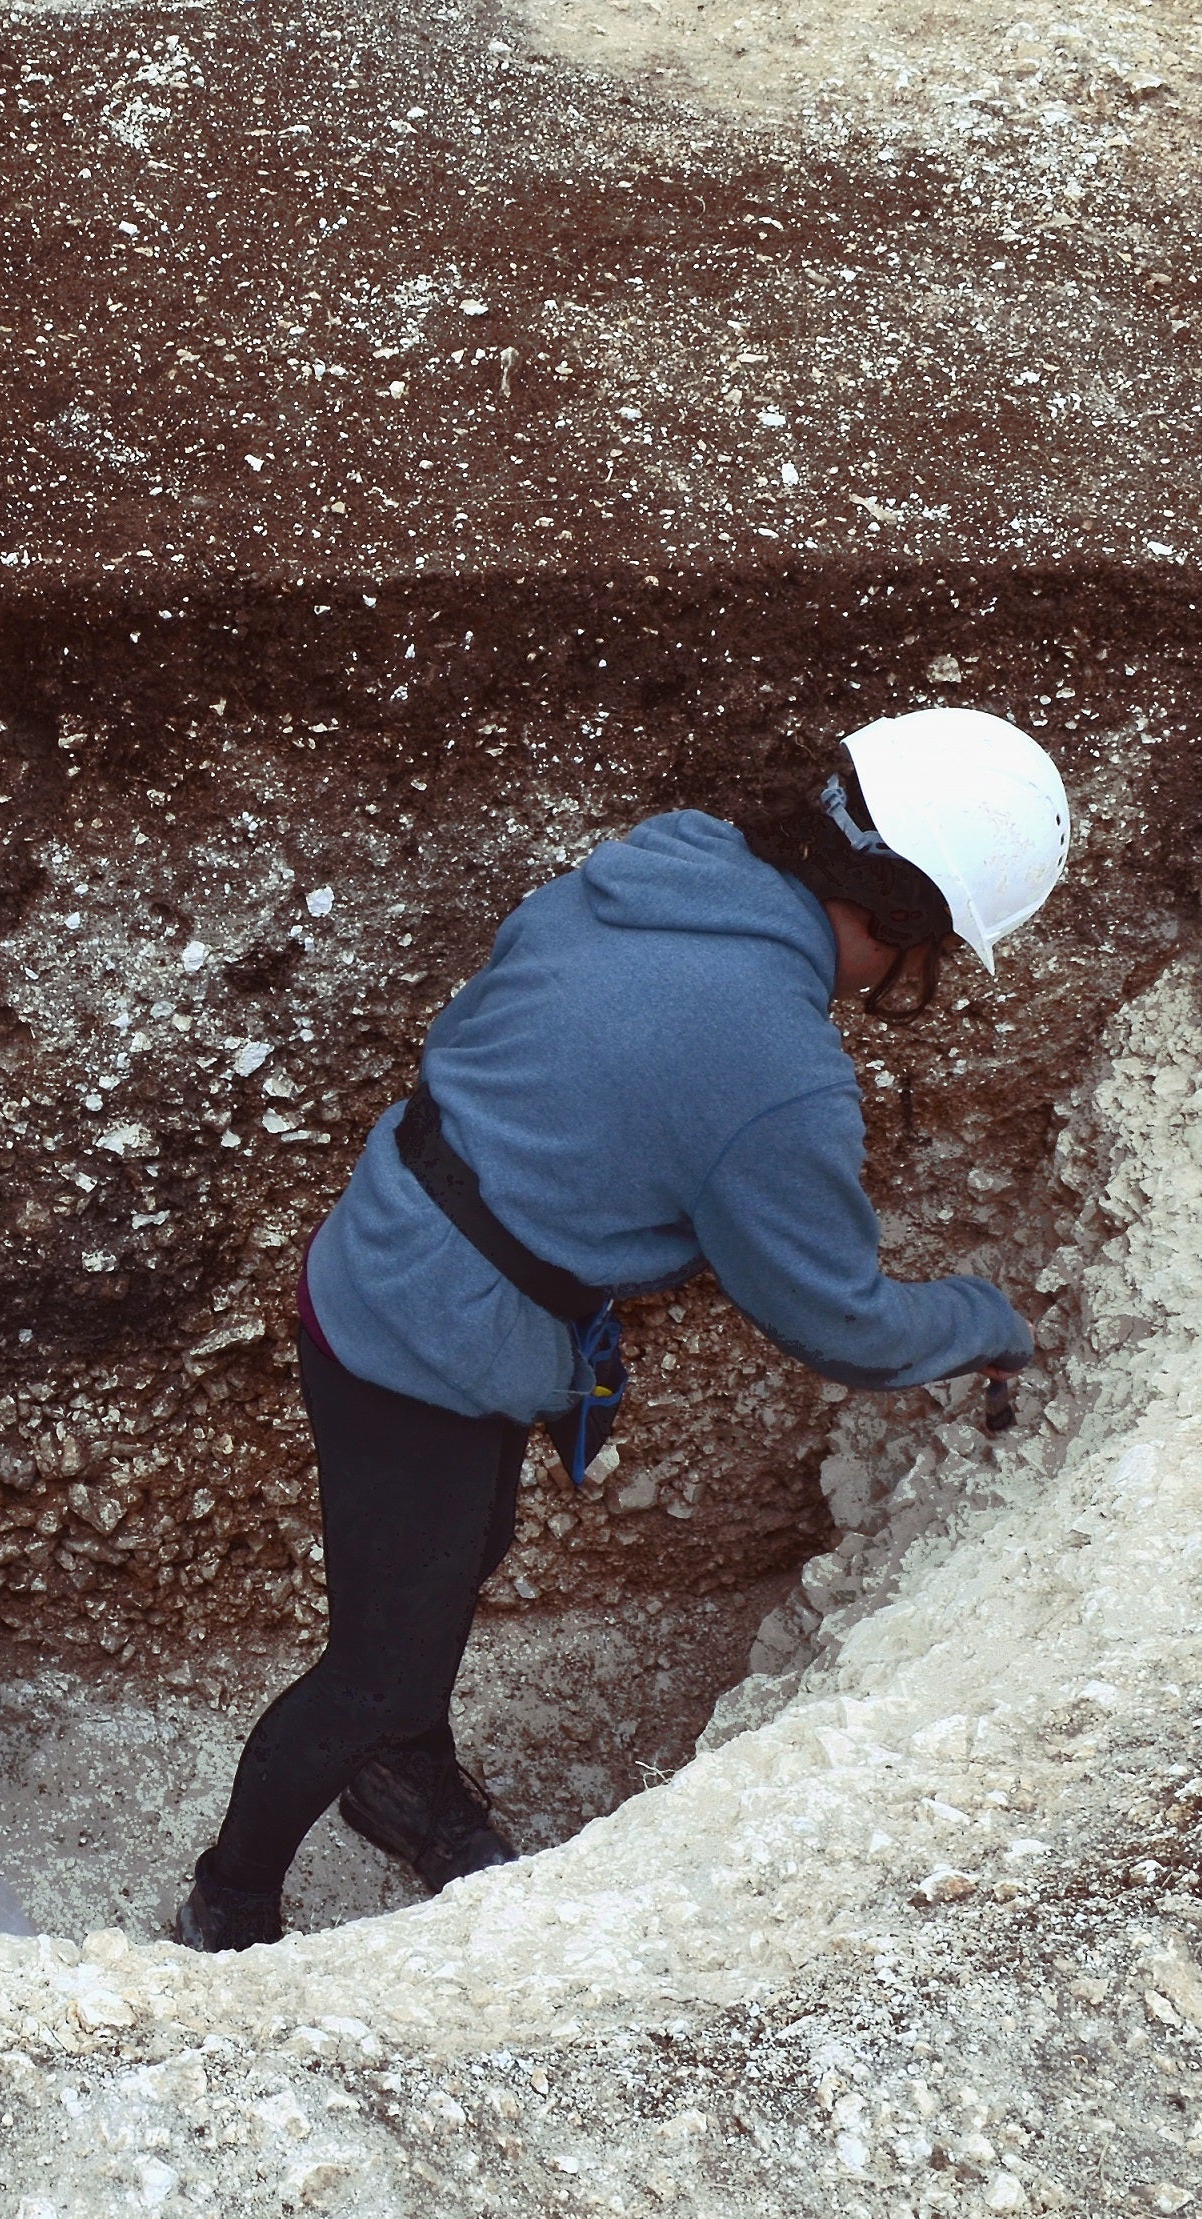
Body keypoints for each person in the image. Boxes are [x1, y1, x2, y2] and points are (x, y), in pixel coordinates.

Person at [171, 706, 1069, 1950]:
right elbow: (840, 1319)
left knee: (453, 1552)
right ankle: (229, 1907)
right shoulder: (776, 1066)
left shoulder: (671, 865)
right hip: (424, 1337)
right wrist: (986, 1320)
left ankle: (399, 1778)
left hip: (391, 1249)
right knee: (374, 1658)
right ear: (903, 921)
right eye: (927, 954)